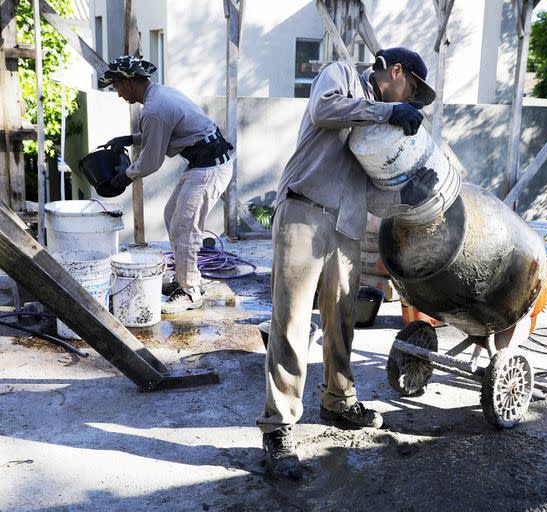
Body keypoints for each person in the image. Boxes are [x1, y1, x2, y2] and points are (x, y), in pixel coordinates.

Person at [258, 47, 438, 480]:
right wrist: (388, 110)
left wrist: (404, 196)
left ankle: (338, 402)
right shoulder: (341, 76)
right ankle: (279, 427)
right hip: (305, 209)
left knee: (341, 320)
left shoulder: (378, 121)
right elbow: (324, 111)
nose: (410, 101)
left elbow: (370, 189)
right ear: (396, 71)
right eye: (412, 89)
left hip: (347, 225)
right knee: (293, 321)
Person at [97, 56, 234, 314]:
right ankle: (187, 278)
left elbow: (150, 162)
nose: (117, 93)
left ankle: (191, 290)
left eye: (116, 86)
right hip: (204, 162)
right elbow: (163, 133)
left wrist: (122, 178)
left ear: (128, 83)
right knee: (173, 216)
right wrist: (131, 138)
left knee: (185, 227)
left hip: (210, 167)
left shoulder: (154, 110)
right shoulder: (159, 95)